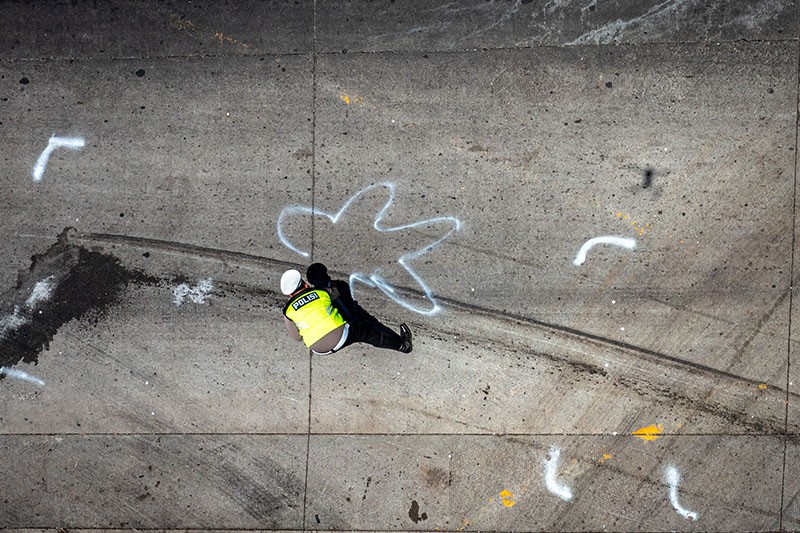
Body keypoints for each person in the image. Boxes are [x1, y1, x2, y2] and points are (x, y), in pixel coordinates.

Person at [281, 268, 412, 355]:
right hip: (339, 336)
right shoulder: (320, 293)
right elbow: (340, 301)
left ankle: (401, 345)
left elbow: (297, 337)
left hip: (318, 349)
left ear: (290, 295)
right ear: (304, 284)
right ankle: (403, 346)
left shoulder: (288, 311)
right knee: (367, 333)